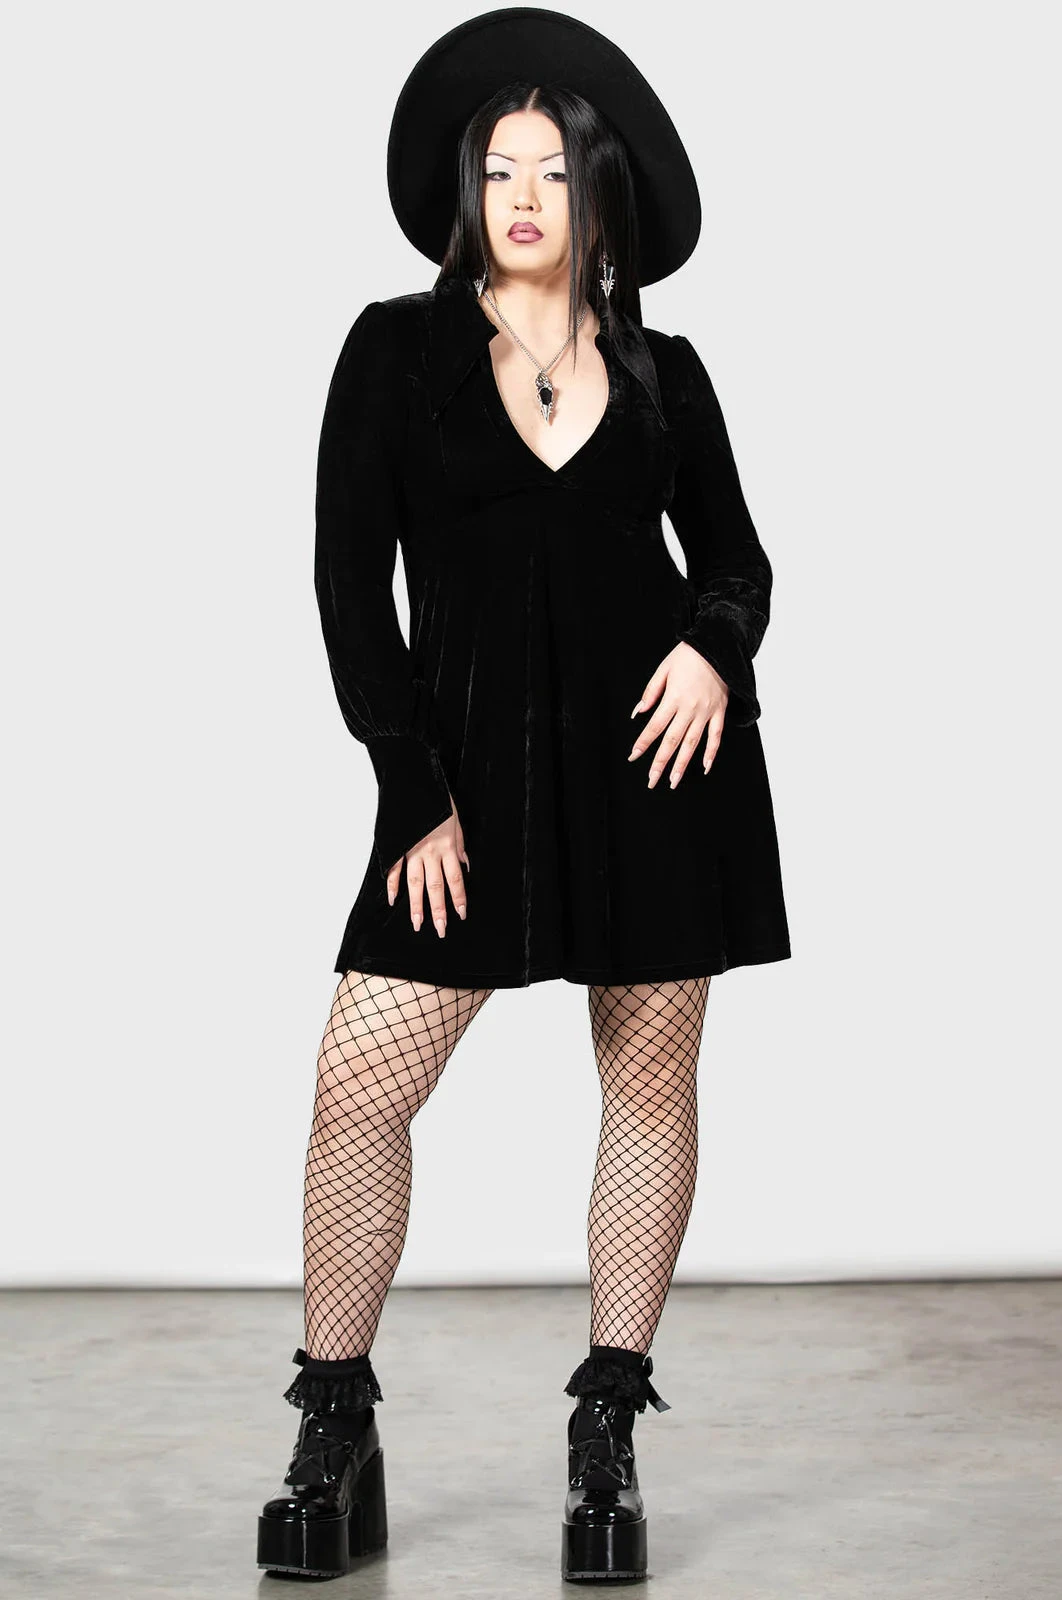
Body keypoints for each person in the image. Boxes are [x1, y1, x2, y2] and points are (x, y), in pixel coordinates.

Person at [257, 7, 791, 1583]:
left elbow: (738, 564)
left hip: (654, 773)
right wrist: (408, 789)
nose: (522, 196)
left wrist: (711, 649)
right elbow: (349, 589)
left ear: (599, 197)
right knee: (359, 1086)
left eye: (552, 170)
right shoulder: (393, 351)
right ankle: (335, 1427)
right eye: (498, 169)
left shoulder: (667, 375)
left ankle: (604, 1437)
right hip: (464, 788)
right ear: (465, 192)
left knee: (647, 1086)